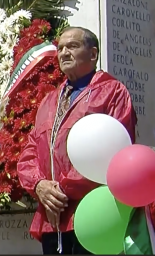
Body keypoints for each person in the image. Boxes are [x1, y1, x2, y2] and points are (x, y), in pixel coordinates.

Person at [17, 27, 137, 254]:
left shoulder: (112, 93)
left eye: (72, 46)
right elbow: (29, 151)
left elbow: (111, 151)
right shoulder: (49, 100)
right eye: (60, 48)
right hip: (53, 220)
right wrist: (39, 185)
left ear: (93, 54)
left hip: (93, 215)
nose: (63, 53)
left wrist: (60, 192)